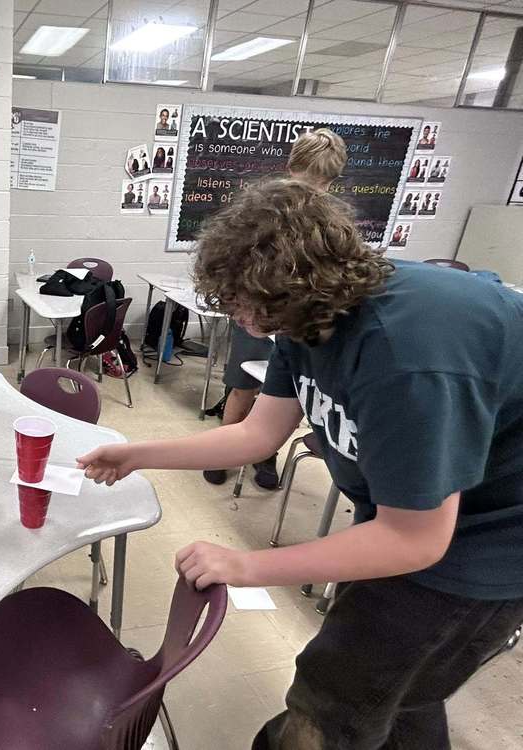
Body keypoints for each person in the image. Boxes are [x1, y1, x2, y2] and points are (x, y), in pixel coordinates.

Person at [79, 178, 523, 750]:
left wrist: (244, 565)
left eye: (242, 303)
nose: (236, 316)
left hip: (490, 538)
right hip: (419, 512)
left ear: (291, 287)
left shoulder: (406, 357)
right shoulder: (304, 317)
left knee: (334, 694)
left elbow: (415, 540)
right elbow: (258, 433)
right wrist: (137, 454)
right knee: (398, 686)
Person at [203, 128, 347, 490]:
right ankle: (224, 452)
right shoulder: (266, 210)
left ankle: (265, 453)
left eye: (321, 180)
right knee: (243, 386)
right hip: (263, 311)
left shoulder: (334, 223)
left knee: (281, 394)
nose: (313, 188)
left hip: (301, 319)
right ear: (292, 168)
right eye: (308, 176)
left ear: (332, 180)